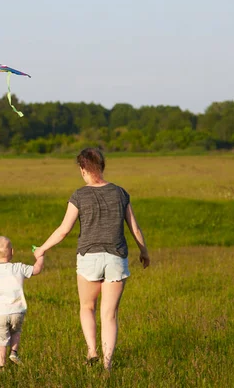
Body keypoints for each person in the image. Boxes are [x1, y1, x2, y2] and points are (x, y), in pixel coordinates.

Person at [33, 148, 149, 371]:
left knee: (87, 307)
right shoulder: (120, 193)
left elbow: (63, 231)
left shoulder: (79, 195)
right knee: (110, 315)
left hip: (88, 259)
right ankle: (107, 365)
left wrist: (42, 249)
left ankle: (92, 351)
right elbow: (133, 227)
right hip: (116, 258)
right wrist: (144, 251)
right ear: (102, 166)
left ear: (83, 169)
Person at [0, 236, 44, 368]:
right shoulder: (19, 267)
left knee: (0, 341)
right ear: (12, 252)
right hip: (18, 311)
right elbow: (36, 270)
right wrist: (40, 256)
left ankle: (1, 366)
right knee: (16, 332)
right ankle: (14, 352)